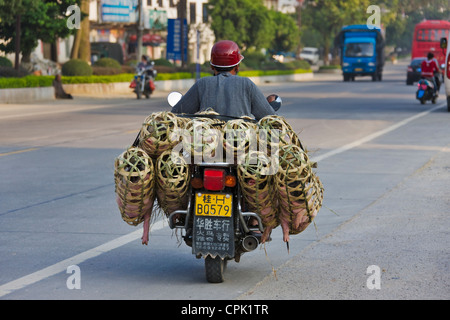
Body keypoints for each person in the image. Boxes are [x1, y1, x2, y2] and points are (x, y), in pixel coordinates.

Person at [170, 40, 277, 120]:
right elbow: (270, 118)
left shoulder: (202, 84)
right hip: (241, 146)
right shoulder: (246, 84)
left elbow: (176, 115)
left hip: (208, 145)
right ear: (237, 66)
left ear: (212, 66)